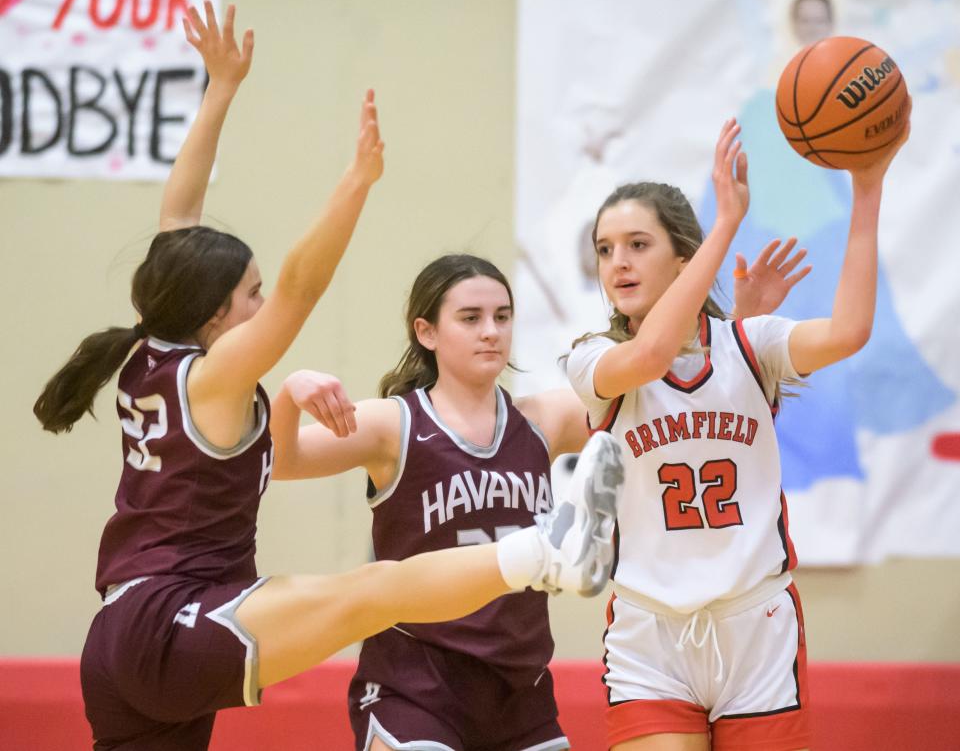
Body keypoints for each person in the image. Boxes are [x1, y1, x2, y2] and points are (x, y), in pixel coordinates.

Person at [32, 3, 623, 751]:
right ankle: (548, 552)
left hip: (117, 631)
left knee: (367, 594)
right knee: (370, 592)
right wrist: (356, 184)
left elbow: (179, 213)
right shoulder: (213, 376)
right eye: (248, 294)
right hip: (178, 619)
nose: (260, 301)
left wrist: (219, 91)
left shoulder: (154, 343)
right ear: (215, 316)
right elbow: (301, 291)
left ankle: (548, 552)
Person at [270, 239, 810, 750]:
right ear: (426, 332)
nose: (491, 332)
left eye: (502, 317)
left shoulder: (543, 419)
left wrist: (740, 328)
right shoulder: (394, 423)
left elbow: (675, 406)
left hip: (518, 686)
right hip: (417, 679)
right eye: (471, 318)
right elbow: (282, 461)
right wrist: (292, 393)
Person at [564, 112, 910, 751]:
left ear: (683, 257)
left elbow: (850, 330)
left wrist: (867, 189)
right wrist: (726, 222)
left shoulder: (753, 345)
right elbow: (648, 356)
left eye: (638, 244)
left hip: (757, 626)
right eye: (605, 249)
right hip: (652, 632)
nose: (618, 262)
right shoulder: (591, 359)